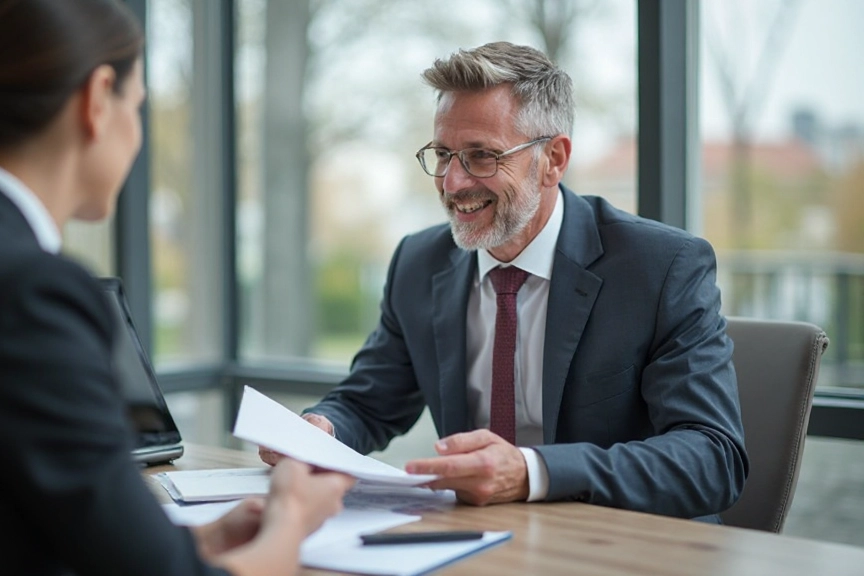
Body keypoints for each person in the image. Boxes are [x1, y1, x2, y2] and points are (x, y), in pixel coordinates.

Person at [0, 1, 353, 575]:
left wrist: (200, 542)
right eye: (136, 107)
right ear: (97, 98)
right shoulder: (30, 292)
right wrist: (292, 516)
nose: (136, 135)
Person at [261, 42, 748, 522]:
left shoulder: (661, 267)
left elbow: (712, 458)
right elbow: (369, 401)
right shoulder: (419, 262)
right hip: (474, 539)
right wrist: (323, 429)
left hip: (618, 545)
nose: (452, 182)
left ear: (553, 159)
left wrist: (533, 472)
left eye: (481, 156)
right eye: (444, 154)